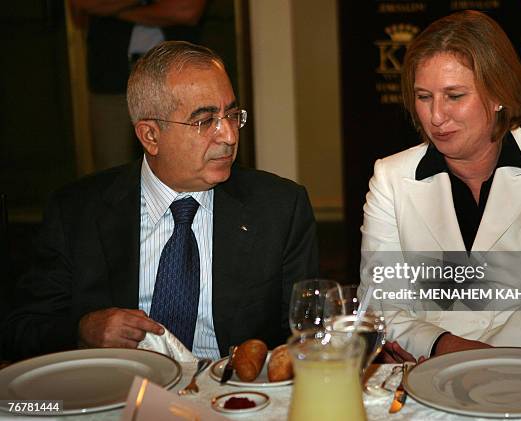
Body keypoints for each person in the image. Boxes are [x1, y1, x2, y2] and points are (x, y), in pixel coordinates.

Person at [2, 41, 319, 361]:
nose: (229, 136)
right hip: (117, 392)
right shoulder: (76, 212)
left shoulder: (280, 209)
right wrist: (83, 330)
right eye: (205, 120)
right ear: (150, 136)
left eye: (232, 115)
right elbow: (21, 328)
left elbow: (305, 336)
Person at [359, 10, 521, 362]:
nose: (436, 116)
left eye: (454, 96)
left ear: (498, 93)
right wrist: (445, 346)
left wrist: (479, 360)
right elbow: (383, 304)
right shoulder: (390, 178)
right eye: (424, 97)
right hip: (426, 367)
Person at [71, 0, 207, 170]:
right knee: (113, 170)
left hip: (178, 76)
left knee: (184, 162)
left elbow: (186, 10)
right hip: (111, 74)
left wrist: (111, 11)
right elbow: (83, 5)